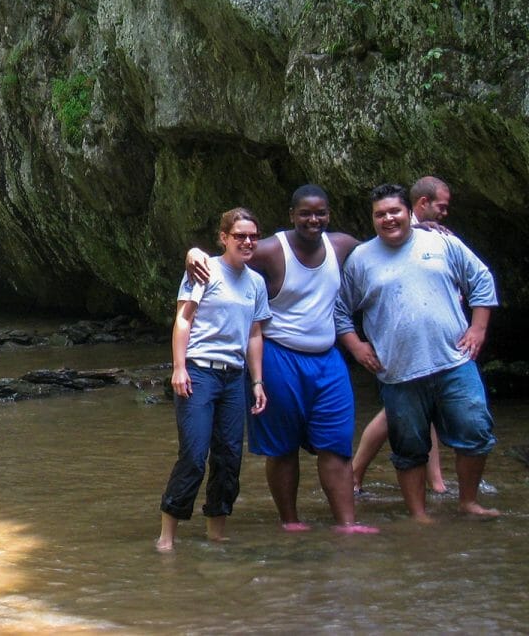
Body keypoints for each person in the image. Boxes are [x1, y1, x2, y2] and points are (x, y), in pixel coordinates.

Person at [187, 186, 376, 533]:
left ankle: (347, 524)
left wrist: (421, 229)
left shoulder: (343, 246)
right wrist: (193, 251)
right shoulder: (273, 250)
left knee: (336, 443)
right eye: (305, 213)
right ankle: (290, 521)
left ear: (329, 215)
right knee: (282, 446)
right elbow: (229, 254)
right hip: (279, 355)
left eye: (320, 213)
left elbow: (381, 252)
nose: (313, 220)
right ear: (292, 215)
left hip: (327, 357)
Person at [335, 183, 499, 521]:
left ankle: (468, 502)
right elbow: (339, 309)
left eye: (394, 211)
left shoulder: (441, 242)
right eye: (380, 214)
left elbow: (480, 279)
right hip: (398, 371)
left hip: (453, 361)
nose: (388, 218)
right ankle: (418, 514)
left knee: (475, 432)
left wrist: (478, 328)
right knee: (408, 448)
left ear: (409, 212)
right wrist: (356, 344)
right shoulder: (361, 260)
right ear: (373, 219)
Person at [157, 208, 269, 551]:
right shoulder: (204, 270)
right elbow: (183, 320)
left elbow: (254, 334)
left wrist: (257, 382)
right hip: (200, 372)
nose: (247, 242)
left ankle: (216, 533)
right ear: (224, 238)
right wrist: (179, 367)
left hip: (234, 377)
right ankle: (167, 536)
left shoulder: (256, 283)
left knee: (229, 457)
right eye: (239, 236)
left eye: (252, 236)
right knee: (193, 454)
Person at [352, 175, 452, 494]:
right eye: (442, 206)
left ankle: (435, 481)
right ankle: (354, 474)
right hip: (399, 346)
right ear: (422, 204)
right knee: (392, 415)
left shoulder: (433, 238)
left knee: (427, 412)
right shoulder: (398, 235)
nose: (445, 214)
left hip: (430, 344)